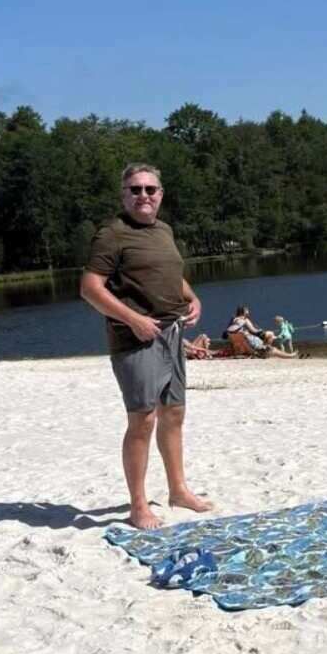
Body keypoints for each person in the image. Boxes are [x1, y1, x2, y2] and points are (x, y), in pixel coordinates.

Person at [80, 163, 213, 528]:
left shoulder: (164, 230)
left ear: (161, 194)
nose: (143, 196)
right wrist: (133, 319)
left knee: (174, 414)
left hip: (172, 334)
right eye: (135, 189)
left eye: (150, 189)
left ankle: (178, 490)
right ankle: (138, 505)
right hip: (135, 339)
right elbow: (91, 287)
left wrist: (193, 298)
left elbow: (171, 272)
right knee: (143, 420)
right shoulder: (112, 234)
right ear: (124, 195)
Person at [224, 304, 295, 358]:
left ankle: (285, 354)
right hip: (252, 347)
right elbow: (254, 331)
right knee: (271, 339)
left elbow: (227, 333)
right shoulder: (244, 319)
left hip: (241, 346)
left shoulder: (233, 319)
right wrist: (261, 330)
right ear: (244, 311)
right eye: (247, 310)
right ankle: (290, 355)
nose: (248, 311)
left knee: (268, 338)